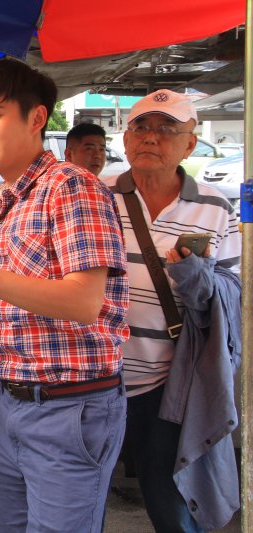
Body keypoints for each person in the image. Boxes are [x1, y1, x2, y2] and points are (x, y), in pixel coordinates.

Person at [0, 58, 129, 533]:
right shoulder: (8, 200)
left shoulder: (73, 187)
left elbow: (82, 302)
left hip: (69, 409)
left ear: (36, 119)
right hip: (8, 400)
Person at [103, 89, 242, 531]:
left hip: (169, 381)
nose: (150, 138)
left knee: (171, 498)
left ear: (190, 143)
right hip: (95, 379)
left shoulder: (216, 207)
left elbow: (234, 295)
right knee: (83, 494)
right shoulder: (97, 196)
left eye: (166, 129)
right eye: (141, 127)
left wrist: (196, 277)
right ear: (126, 140)